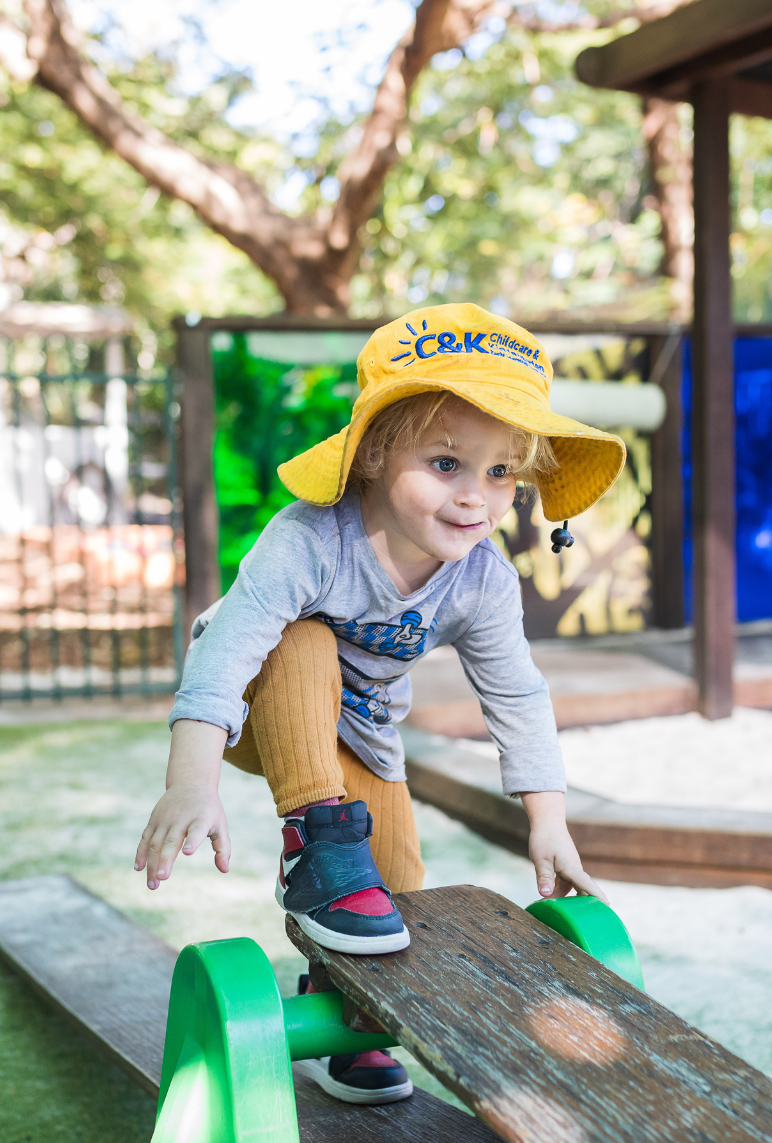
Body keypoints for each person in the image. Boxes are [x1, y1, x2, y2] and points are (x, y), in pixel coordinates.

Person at [135, 302, 626, 1104]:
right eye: (445, 463)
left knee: (392, 891)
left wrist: (549, 818)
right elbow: (228, 653)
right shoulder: (308, 539)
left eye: (501, 471)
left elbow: (517, 694)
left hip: (359, 730)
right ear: (369, 456)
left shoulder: (483, 578)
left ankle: (347, 1024)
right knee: (306, 638)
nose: (477, 497)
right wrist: (192, 780)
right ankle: (313, 839)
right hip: (261, 704)